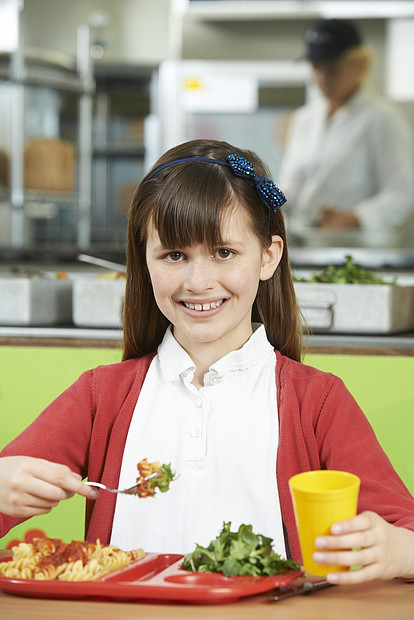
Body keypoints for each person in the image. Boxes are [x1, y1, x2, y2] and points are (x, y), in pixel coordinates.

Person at [1, 139, 414, 584]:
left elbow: (404, 532)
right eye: (174, 255)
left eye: (224, 253)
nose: (198, 282)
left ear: (268, 256)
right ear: (144, 259)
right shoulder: (101, 395)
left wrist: (399, 550)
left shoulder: (317, 401)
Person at [279, 18, 414, 233]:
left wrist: (355, 218)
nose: (322, 79)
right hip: (304, 242)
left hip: (355, 246)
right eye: (316, 67)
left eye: (332, 69)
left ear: (359, 65)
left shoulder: (382, 119)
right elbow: (292, 186)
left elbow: (401, 193)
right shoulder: (304, 118)